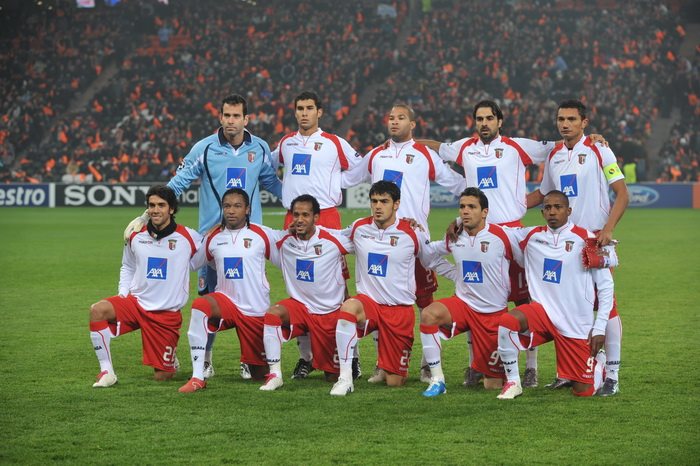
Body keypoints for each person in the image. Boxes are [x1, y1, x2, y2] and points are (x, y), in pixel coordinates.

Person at [418, 100, 597, 388]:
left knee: (525, 300)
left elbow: (558, 144)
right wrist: (409, 142)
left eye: (490, 118)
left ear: (499, 121)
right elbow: (438, 147)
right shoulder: (465, 148)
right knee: (473, 296)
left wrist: (592, 139)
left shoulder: (517, 146)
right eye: (479, 119)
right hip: (477, 232)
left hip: (512, 234)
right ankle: (476, 364)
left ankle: (531, 368)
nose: (484, 123)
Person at [125, 94, 282, 381]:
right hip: (211, 239)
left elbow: (272, 182)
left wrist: (302, 206)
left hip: (249, 241)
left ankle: (250, 359)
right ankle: (206, 359)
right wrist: (147, 215)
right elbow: (178, 183)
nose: (231, 121)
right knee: (209, 299)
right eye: (226, 115)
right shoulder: (204, 148)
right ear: (220, 117)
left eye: (236, 116)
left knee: (254, 298)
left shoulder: (259, 147)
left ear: (246, 119)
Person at [342, 103, 466, 383]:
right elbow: (348, 178)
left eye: (401, 118)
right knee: (378, 298)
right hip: (382, 240)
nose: (394, 121)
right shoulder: (376, 155)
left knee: (425, 303)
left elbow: (455, 183)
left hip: (414, 240)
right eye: (391, 118)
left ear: (412, 124)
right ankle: (382, 365)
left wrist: (470, 206)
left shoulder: (424, 154)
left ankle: (427, 364)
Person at [527, 99, 628, 396]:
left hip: (594, 240)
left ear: (584, 122)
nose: (565, 124)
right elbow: (544, 194)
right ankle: (568, 372)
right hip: (563, 242)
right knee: (564, 305)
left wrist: (607, 230)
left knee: (607, 306)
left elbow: (622, 194)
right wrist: (500, 210)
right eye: (561, 119)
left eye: (571, 119)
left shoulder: (599, 149)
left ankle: (612, 376)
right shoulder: (555, 155)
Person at [330, 181, 456, 396]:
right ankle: (345, 378)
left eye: (384, 201)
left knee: (395, 382)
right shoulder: (359, 228)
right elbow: (331, 237)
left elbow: (431, 259)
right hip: (369, 304)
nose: (378, 206)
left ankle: (388, 367)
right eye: (374, 201)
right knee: (349, 308)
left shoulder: (412, 232)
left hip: (399, 310)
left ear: (396, 204)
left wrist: (458, 276)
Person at [272, 91, 364, 380]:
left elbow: (361, 168)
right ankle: (306, 358)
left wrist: (337, 181)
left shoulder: (334, 142)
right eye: (299, 108)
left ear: (319, 112)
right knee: (299, 286)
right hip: (293, 217)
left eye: (309, 108)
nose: (304, 113)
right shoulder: (286, 143)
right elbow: (266, 168)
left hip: (327, 217)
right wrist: (282, 189)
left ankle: (352, 357)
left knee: (338, 288)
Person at [496, 190, 614, 399]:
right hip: (542, 314)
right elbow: (493, 230)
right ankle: (513, 382)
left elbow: (605, 286)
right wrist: (459, 222)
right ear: (542, 212)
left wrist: (599, 326)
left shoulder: (587, 239)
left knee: (583, 392)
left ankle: (599, 363)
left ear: (569, 211)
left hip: (575, 324)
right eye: (547, 208)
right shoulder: (530, 236)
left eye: (558, 207)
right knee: (507, 321)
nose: (552, 212)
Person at [90, 185, 201, 387]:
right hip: (136, 303)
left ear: (172, 209)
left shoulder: (189, 237)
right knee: (98, 311)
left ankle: (170, 360)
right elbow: (128, 266)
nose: (155, 210)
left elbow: (205, 257)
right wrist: (123, 293)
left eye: (161, 205)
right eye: (151, 205)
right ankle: (107, 372)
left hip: (165, 314)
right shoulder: (135, 234)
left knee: (162, 377)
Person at [178, 188, 277, 393]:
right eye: (227, 206)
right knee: (200, 305)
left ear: (247, 209)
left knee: (259, 374)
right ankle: (198, 376)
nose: (231, 211)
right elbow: (191, 263)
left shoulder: (263, 234)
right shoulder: (214, 236)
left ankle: (250, 362)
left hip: (255, 310)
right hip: (226, 302)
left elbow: (286, 258)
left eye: (237, 206)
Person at [419, 187, 515, 397]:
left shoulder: (503, 236)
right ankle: (437, 380)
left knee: (492, 385)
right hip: (463, 304)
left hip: (492, 314)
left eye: (472, 207)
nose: (465, 211)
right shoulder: (455, 237)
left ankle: (482, 368)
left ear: (485, 212)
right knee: (428, 314)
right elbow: (428, 254)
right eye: (462, 207)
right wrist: (455, 274)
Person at [259, 194, 357, 391]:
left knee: (332, 376)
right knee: (273, 315)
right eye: (296, 215)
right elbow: (252, 232)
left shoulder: (333, 239)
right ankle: (275, 375)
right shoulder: (284, 240)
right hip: (300, 308)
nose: (299, 219)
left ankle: (352, 359)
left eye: (305, 215)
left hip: (328, 313)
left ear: (316, 217)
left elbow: (365, 238)